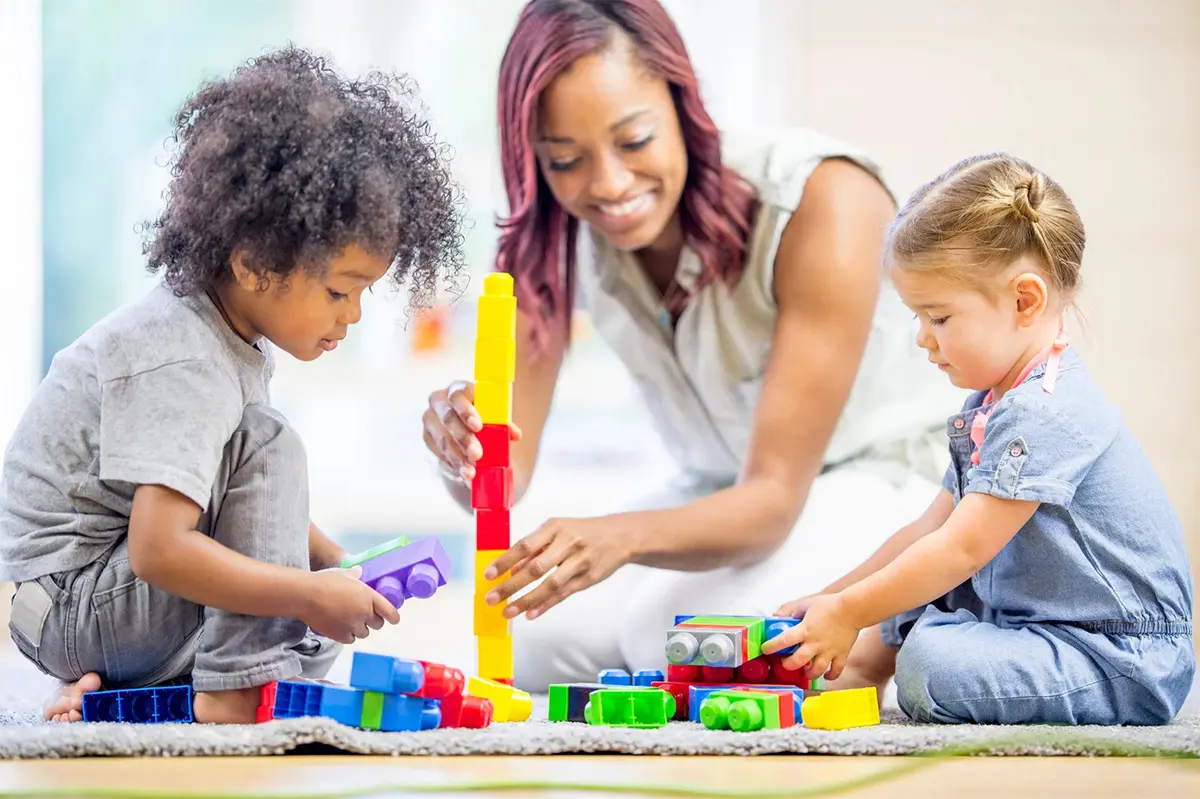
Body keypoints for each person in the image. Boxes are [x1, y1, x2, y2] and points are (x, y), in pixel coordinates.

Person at [422, 0, 963, 692]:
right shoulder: (551, 241)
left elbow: (770, 500)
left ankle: (889, 640)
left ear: (683, 103)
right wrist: (458, 449)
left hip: (891, 485)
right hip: (718, 495)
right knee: (539, 636)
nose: (608, 185)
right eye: (565, 159)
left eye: (635, 140)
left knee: (672, 638)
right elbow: (501, 477)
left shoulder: (822, 198)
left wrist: (620, 534)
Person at [1, 46, 466, 723]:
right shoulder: (182, 355)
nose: (355, 313)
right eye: (340, 289)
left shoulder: (227, 334)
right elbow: (158, 549)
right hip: (74, 601)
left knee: (305, 613)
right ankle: (232, 693)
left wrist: (333, 563)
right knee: (277, 487)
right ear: (253, 263)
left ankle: (168, 693)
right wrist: (305, 593)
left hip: (104, 598)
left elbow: (234, 495)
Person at [763, 153, 1195, 725]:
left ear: (1024, 301)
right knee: (919, 577)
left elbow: (960, 550)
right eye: (917, 317)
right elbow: (928, 530)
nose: (923, 338)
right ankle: (869, 667)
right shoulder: (992, 406)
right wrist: (830, 601)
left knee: (932, 664)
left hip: (1118, 656)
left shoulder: (1047, 412)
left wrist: (850, 611)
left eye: (938, 317)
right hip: (1039, 626)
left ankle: (902, 659)